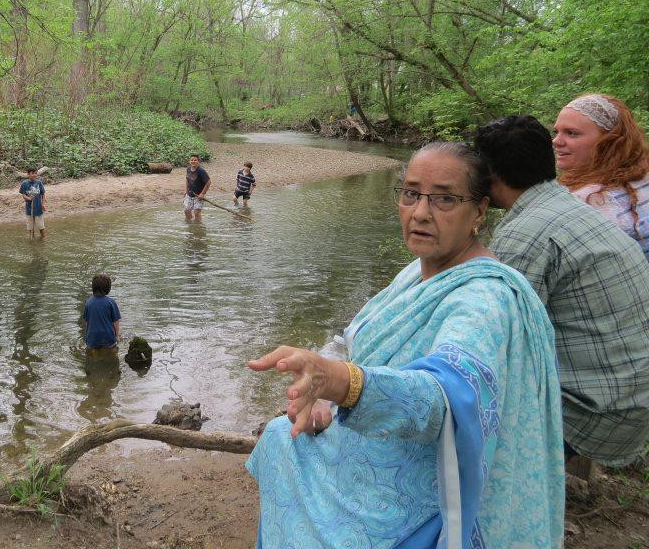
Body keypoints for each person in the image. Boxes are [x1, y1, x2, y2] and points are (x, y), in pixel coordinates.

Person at [247, 142, 563, 549]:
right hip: (375, 438)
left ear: (480, 211)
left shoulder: (484, 299)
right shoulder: (416, 273)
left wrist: (341, 383)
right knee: (281, 438)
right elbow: (350, 339)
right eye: (411, 194)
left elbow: (444, 399)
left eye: (445, 199)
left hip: (426, 486)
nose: (420, 213)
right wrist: (323, 392)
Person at [475, 115, 649, 466]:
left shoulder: (524, 235)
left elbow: (493, 341)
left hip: (595, 418)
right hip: (632, 403)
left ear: (488, 174)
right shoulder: (566, 205)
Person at [553, 93, 649, 260]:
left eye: (572, 133)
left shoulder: (590, 200)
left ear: (609, 141)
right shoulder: (640, 175)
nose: (556, 141)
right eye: (557, 132)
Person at [84, 273, 121, 351]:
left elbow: (87, 322)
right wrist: (117, 336)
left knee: (91, 353)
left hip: (92, 339)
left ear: (93, 287)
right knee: (113, 352)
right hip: (108, 339)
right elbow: (115, 322)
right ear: (108, 288)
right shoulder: (111, 302)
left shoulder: (88, 302)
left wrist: (88, 336)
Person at [19, 168, 47, 239]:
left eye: (36, 173)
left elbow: (43, 194)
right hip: (29, 209)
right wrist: (29, 198)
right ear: (28, 174)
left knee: (41, 227)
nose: (35, 175)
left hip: (38, 208)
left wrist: (43, 204)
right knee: (31, 229)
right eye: (33, 173)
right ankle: (32, 239)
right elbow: (24, 195)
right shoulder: (24, 183)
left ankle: (42, 240)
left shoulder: (39, 182)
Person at [183, 154, 211, 220]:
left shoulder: (201, 171)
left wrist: (202, 194)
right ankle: (190, 225)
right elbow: (187, 179)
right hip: (190, 193)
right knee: (186, 211)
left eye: (195, 160)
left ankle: (197, 228)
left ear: (198, 161)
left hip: (199, 195)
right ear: (189, 161)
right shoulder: (188, 169)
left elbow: (208, 182)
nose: (193, 161)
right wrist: (186, 190)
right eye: (192, 160)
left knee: (196, 213)